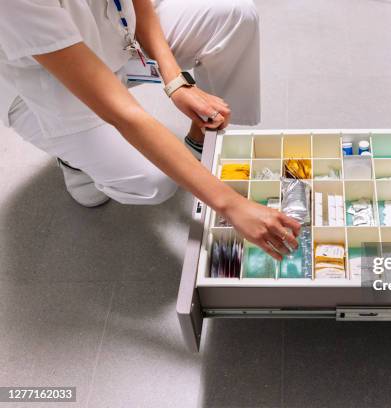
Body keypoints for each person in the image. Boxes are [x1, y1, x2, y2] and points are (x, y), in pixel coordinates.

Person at [0, 0, 299, 260]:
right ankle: (74, 160)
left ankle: (204, 142)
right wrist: (231, 205)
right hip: (50, 82)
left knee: (236, 15)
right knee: (156, 180)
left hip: (110, 33)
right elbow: (123, 114)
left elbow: (138, 3)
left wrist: (175, 82)